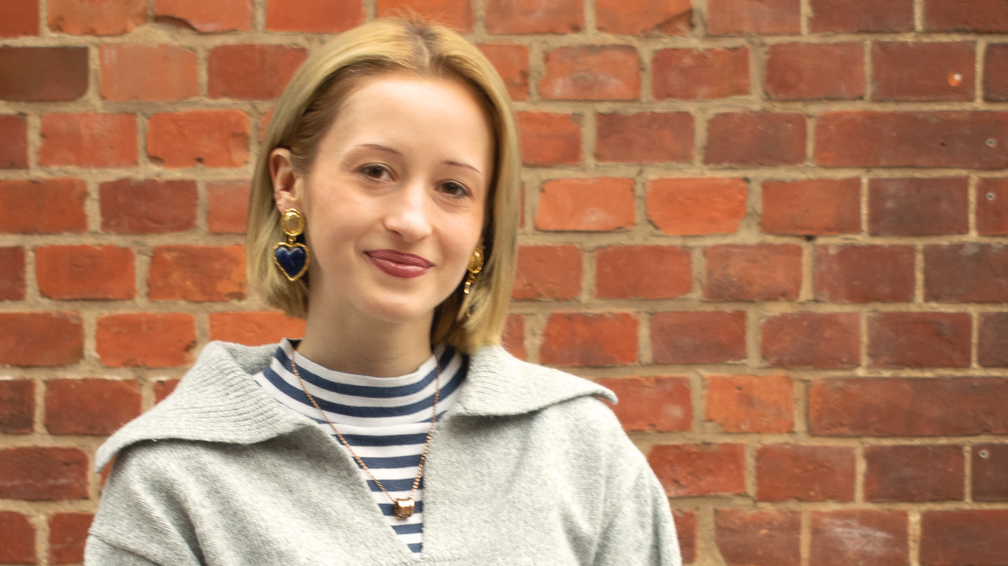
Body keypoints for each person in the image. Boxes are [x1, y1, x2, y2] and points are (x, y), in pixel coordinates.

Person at [85, 17, 681, 565]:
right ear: (290, 183)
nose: (412, 220)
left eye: (453, 187)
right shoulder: (174, 477)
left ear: (484, 225)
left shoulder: (579, 448)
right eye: (375, 172)